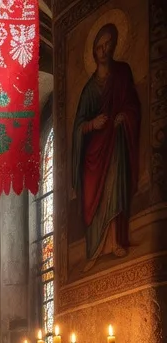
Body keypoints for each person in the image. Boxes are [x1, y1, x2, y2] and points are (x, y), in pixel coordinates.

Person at [73, 23, 141, 262]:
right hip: (94, 152)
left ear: (113, 46)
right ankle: (97, 249)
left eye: (107, 44)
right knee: (97, 196)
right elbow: (78, 126)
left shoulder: (122, 73)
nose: (103, 50)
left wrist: (125, 115)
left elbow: (133, 104)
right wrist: (92, 124)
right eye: (99, 47)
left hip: (116, 143)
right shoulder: (89, 89)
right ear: (93, 51)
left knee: (115, 186)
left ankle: (116, 241)